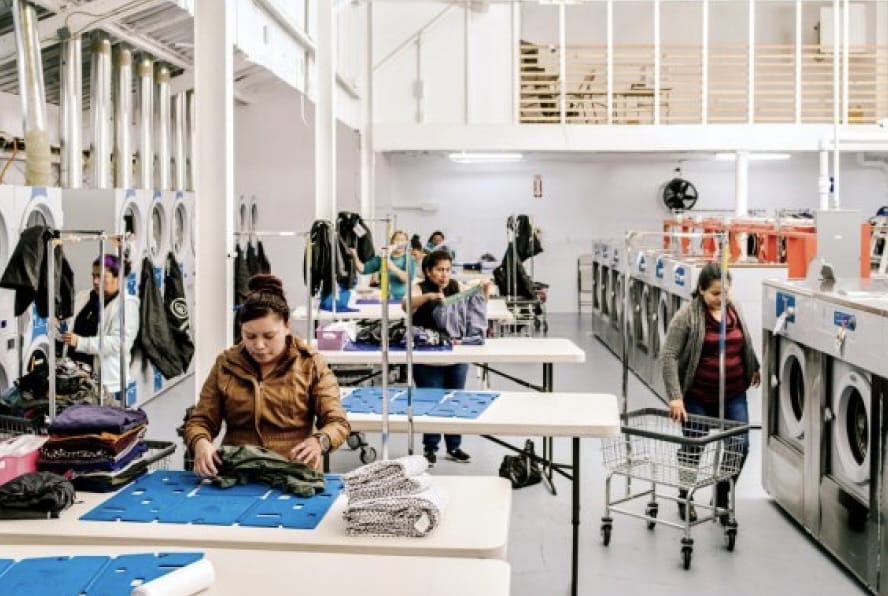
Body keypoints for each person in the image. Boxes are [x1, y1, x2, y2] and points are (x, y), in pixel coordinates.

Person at [184, 274, 350, 476]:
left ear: (287, 327)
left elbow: (337, 422)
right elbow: (201, 420)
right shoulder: (226, 365)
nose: (259, 345)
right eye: (250, 336)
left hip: (293, 471)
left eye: (269, 336)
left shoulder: (310, 364)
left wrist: (319, 441)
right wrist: (200, 442)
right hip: (238, 471)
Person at [661, 262, 760, 524]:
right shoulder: (688, 315)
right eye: (716, 294)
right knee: (694, 445)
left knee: (740, 445)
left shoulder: (733, 309)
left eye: (726, 292)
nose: (722, 298)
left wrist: (754, 365)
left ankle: (723, 495)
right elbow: (669, 355)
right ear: (702, 290)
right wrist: (675, 396)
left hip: (733, 392)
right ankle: (685, 494)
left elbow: (744, 340)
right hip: (697, 394)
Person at [404, 250, 491, 466]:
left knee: (455, 401)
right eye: (439, 270)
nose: (444, 275)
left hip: (456, 355)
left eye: (448, 270)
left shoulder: (455, 287)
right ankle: (430, 449)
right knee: (431, 403)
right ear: (428, 271)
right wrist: (428, 297)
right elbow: (405, 305)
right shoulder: (419, 287)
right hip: (427, 359)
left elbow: (475, 304)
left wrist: (484, 291)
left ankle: (454, 447)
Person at [61, 254, 140, 403]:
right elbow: (70, 322)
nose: (96, 281)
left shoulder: (126, 305)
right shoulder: (84, 297)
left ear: (117, 278)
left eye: (102, 277)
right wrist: (59, 322)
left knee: (105, 424)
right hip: (78, 377)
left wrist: (80, 342)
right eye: (94, 276)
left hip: (107, 382)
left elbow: (118, 343)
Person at [350, 230, 417, 300]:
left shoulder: (409, 259)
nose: (399, 243)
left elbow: (407, 279)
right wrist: (354, 255)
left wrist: (391, 266)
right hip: (384, 298)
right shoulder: (381, 258)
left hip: (402, 299)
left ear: (406, 243)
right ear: (392, 242)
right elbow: (362, 269)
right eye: (397, 240)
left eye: (402, 240)